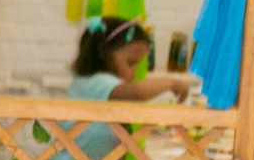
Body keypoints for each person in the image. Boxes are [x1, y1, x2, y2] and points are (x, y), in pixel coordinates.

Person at [65, 14, 198, 103]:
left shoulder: (85, 80)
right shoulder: (96, 82)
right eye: (131, 63)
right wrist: (171, 84)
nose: (134, 72)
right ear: (103, 54)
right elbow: (136, 93)